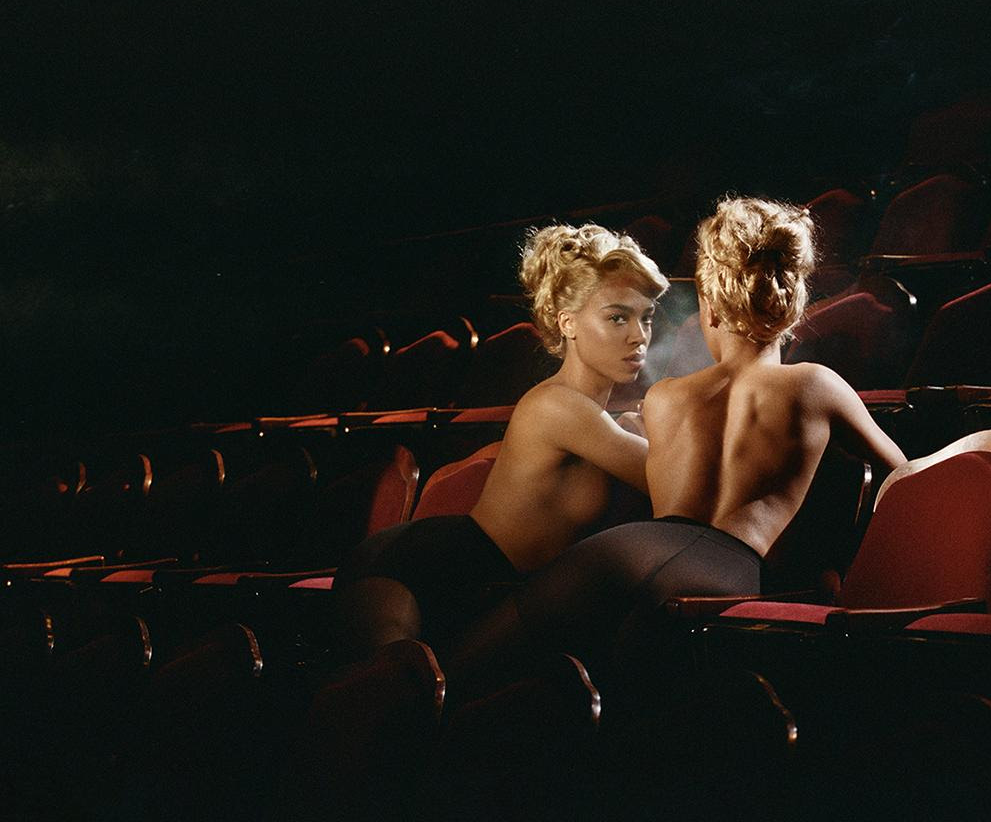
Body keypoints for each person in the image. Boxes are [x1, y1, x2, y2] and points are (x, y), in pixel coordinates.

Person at [444, 196, 907, 691]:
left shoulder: (665, 397)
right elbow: (902, 476)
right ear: (792, 304)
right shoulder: (817, 386)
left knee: (469, 670)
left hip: (625, 552)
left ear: (710, 308)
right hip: (727, 572)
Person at [332, 222, 669, 659]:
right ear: (568, 323)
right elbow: (677, 483)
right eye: (618, 317)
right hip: (419, 566)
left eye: (646, 317)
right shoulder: (559, 406)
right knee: (396, 686)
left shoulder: (604, 421)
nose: (639, 335)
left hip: (491, 583)